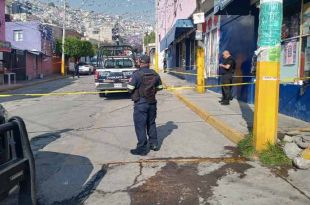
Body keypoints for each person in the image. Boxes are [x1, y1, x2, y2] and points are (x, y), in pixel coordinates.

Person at [127, 55, 163, 156]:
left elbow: (129, 88)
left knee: (140, 126)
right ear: (149, 63)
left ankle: (142, 149)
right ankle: (154, 144)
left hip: (140, 104)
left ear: (140, 62)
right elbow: (160, 87)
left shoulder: (136, 74)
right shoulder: (155, 74)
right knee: (151, 123)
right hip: (152, 102)